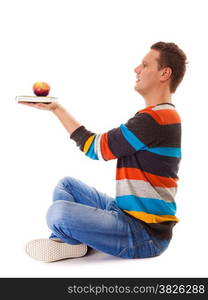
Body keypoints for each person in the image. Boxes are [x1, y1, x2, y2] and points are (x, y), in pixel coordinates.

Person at [20, 41, 187, 262]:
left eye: (145, 65)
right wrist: (56, 108)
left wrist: (57, 110)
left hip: (145, 234)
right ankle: (72, 243)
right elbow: (97, 145)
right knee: (66, 185)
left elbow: (95, 148)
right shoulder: (158, 116)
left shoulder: (155, 120)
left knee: (57, 212)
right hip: (125, 213)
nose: (136, 69)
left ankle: (70, 242)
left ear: (164, 73)